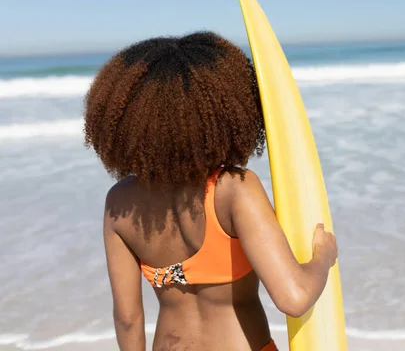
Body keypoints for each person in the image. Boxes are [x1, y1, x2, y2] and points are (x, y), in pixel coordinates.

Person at [83, 32, 338, 351]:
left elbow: (128, 319)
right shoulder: (233, 189)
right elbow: (294, 298)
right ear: (221, 113)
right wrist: (323, 258)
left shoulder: (119, 203)